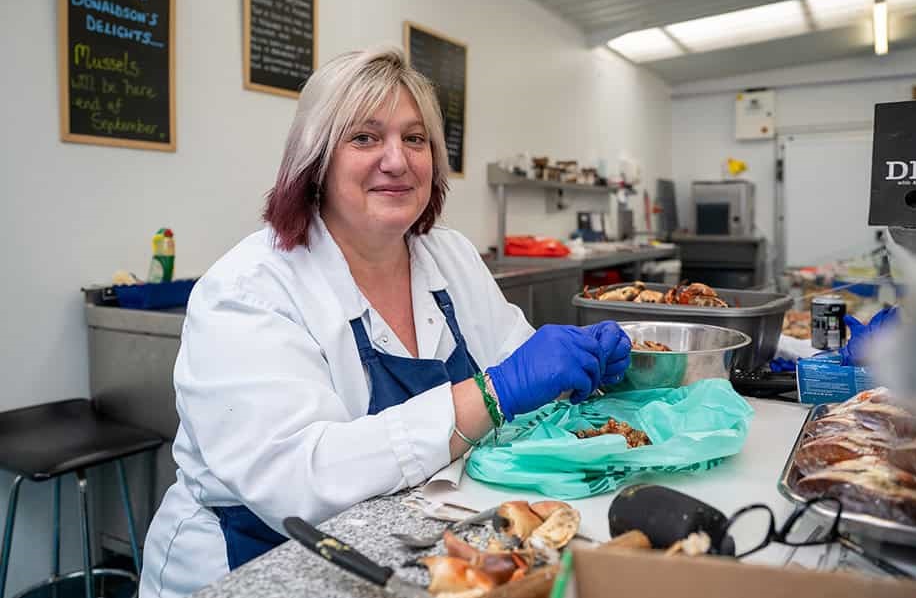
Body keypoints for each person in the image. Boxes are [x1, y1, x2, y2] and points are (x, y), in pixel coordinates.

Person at [139, 46, 631, 598]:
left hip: (409, 541)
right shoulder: (248, 289)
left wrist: (577, 370)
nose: (397, 160)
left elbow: (523, 374)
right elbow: (298, 479)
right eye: (365, 137)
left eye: (415, 138)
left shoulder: (451, 257)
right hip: (252, 561)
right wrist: (493, 393)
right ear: (316, 161)